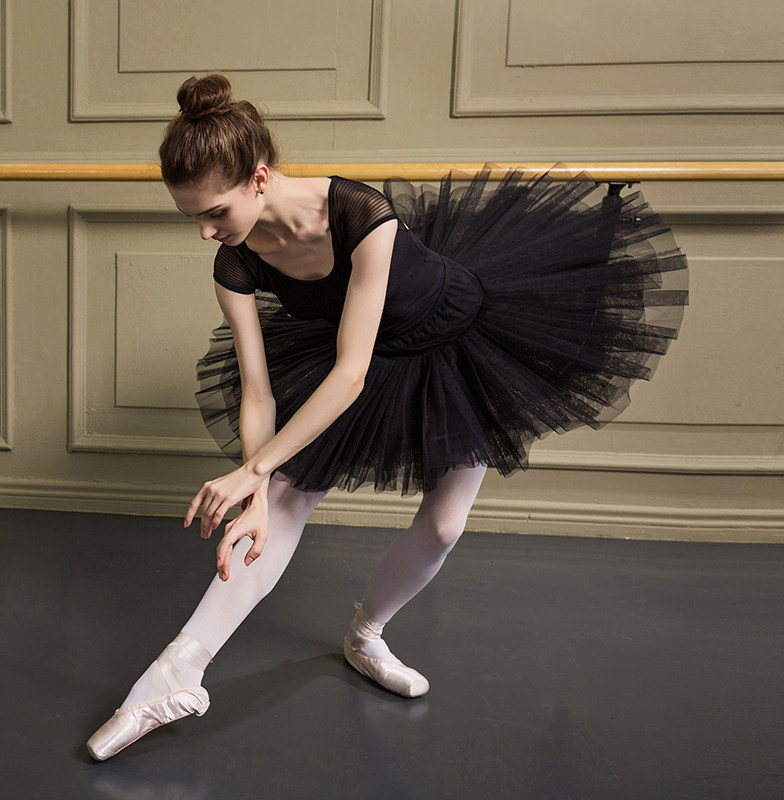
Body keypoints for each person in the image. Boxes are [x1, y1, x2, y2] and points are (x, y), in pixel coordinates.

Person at [86, 73, 687, 761]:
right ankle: (173, 675)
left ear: (259, 178)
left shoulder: (361, 215)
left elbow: (351, 375)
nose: (205, 232)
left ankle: (366, 634)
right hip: (363, 355)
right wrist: (255, 486)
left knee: (444, 526)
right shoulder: (235, 265)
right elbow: (257, 392)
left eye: (215, 212)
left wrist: (254, 470)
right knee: (279, 502)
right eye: (191, 217)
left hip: (455, 343)